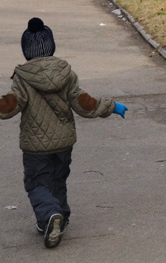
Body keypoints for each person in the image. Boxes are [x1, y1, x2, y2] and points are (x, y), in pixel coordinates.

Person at [0, 18, 128, 249]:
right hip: (64, 143)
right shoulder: (66, 73)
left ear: (26, 51)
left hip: (35, 147)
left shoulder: (23, 78)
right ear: (52, 46)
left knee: (37, 183)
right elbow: (84, 103)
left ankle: (50, 215)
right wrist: (112, 106)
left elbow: (10, 105)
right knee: (58, 179)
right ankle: (59, 217)